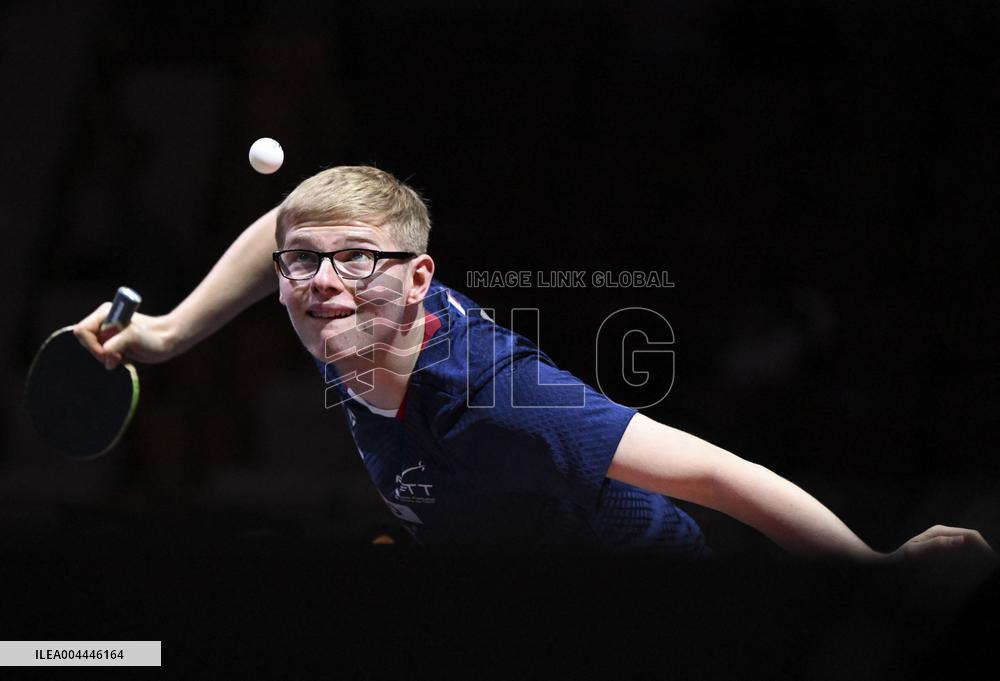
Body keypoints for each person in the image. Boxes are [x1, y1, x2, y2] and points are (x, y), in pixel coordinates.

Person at [74, 165, 995, 562]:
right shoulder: (334, 297)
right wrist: (168, 334)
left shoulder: (497, 398)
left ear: (417, 277)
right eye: (303, 263)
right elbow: (282, 226)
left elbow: (718, 473)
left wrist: (873, 565)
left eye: (351, 259)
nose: (320, 282)